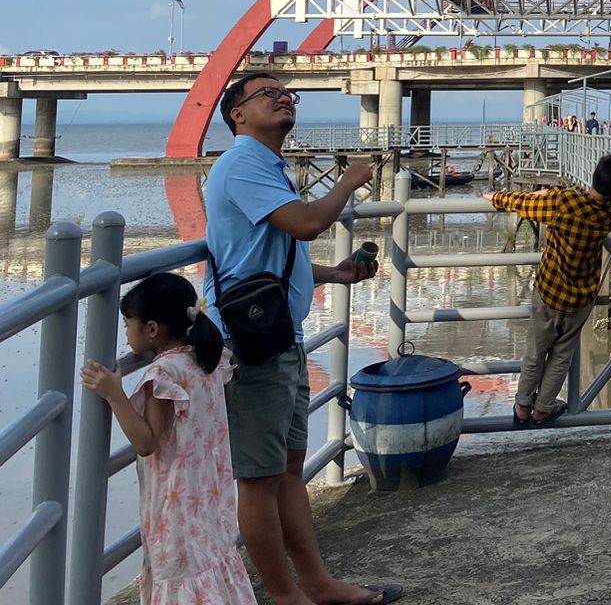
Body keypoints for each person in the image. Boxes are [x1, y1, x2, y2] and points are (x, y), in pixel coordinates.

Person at [204, 73, 394, 605]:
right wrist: (349, 182)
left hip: (276, 336)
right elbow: (307, 224)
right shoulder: (242, 163)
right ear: (236, 114)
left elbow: (268, 252)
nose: (284, 97)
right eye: (268, 93)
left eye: (290, 93)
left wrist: (331, 275)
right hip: (248, 346)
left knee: (287, 470)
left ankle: (318, 585)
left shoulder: (269, 166)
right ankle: (288, 596)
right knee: (260, 479)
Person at [79, 273, 255, 605]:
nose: (127, 333)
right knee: (210, 569)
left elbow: (147, 441)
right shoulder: (207, 358)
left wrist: (113, 393)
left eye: (128, 324)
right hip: (210, 500)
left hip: (175, 508)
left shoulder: (163, 374)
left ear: (152, 330)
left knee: (180, 579)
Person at [489, 153, 611, 426]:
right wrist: (558, 191)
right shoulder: (610, 213)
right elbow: (579, 200)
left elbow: (523, 203)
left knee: (536, 351)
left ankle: (523, 406)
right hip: (580, 298)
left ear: (593, 175)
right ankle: (543, 408)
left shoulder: (563, 204)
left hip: (549, 292)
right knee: (561, 355)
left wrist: (495, 197)